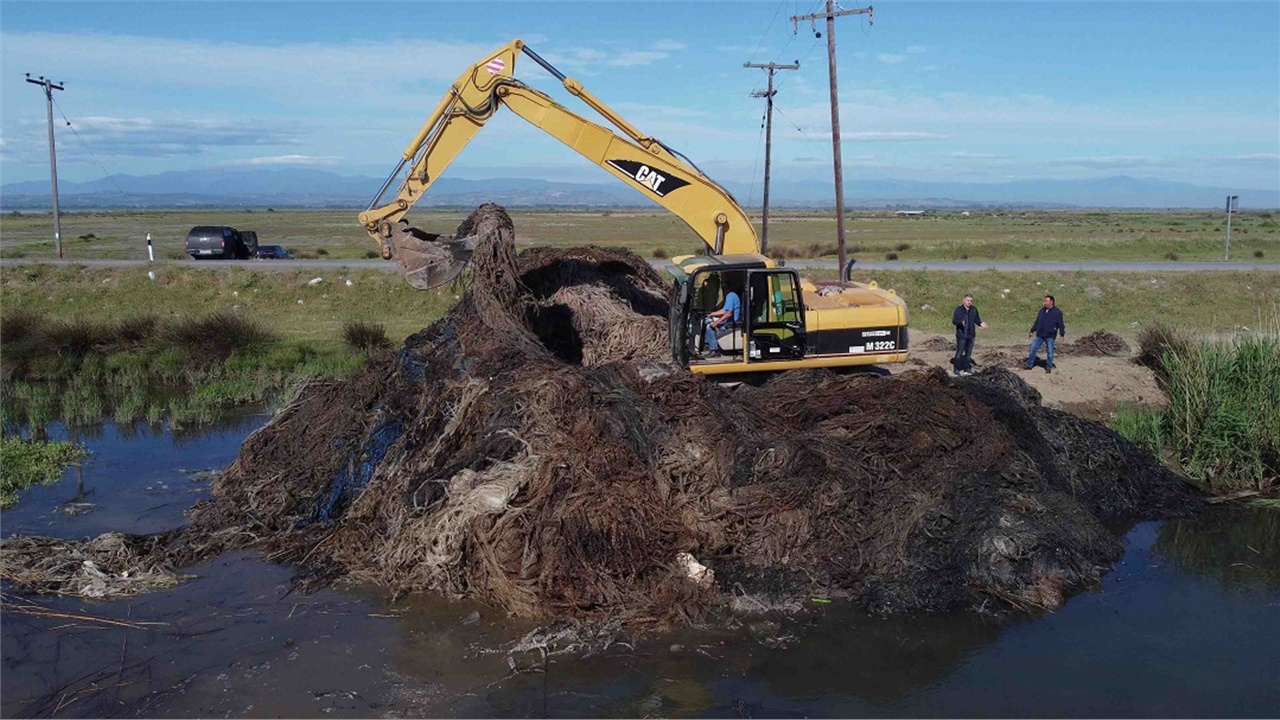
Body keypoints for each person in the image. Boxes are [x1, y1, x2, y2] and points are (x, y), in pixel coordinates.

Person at [1025, 294, 1065, 373]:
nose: (1044, 303)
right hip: (1040, 335)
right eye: (1045, 301)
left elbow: (1061, 324)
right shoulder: (1042, 311)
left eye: (1046, 301)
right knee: (1033, 349)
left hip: (1050, 335)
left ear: (1051, 302)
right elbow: (1037, 322)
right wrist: (1032, 330)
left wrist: (1062, 334)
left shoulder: (1057, 312)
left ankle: (1048, 367)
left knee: (1050, 352)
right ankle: (1029, 365)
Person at [951, 293, 988, 376]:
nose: (969, 302)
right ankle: (956, 369)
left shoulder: (973, 309)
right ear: (963, 300)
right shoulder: (959, 310)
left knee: (968, 353)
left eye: (971, 301)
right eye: (968, 300)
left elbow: (977, 319)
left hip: (971, 335)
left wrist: (981, 323)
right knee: (959, 352)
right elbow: (954, 321)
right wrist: (960, 322)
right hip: (962, 335)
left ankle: (967, 368)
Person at [702, 284, 741, 355]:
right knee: (707, 320)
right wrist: (712, 314)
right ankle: (708, 343)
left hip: (731, 323)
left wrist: (716, 323)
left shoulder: (730, 296)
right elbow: (724, 310)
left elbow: (729, 313)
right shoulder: (731, 295)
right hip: (729, 321)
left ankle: (714, 349)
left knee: (709, 326)